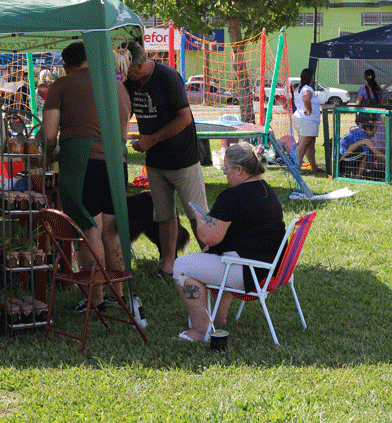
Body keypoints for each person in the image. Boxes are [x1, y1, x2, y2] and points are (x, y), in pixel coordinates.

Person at [172, 142, 285, 342]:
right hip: (269, 267)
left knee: (181, 266)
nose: (225, 174)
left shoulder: (233, 196)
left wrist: (200, 217)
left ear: (239, 170)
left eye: (226, 169)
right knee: (220, 257)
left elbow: (209, 238)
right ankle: (218, 317)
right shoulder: (265, 189)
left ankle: (201, 330)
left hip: (249, 271)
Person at [43, 42, 125, 309]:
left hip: (84, 162)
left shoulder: (62, 85)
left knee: (91, 229)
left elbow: (48, 134)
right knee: (112, 231)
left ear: (66, 65)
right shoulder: (118, 86)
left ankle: (95, 299)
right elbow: (123, 133)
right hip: (116, 162)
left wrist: (48, 153)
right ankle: (119, 296)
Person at [123, 41, 207, 278]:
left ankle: (212, 262)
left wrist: (150, 140)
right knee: (164, 215)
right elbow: (126, 110)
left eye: (129, 70)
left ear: (141, 65)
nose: (126, 76)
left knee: (196, 214)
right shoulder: (130, 82)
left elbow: (184, 119)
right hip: (156, 161)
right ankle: (167, 266)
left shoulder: (169, 77)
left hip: (182, 159)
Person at [292, 68, 323, 173]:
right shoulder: (307, 89)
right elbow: (306, 98)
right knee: (304, 144)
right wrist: (309, 110)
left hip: (300, 118)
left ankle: (313, 167)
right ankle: (296, 167)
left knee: (310, 144)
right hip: (307, 120)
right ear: (311, 77)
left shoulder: (298, 88)